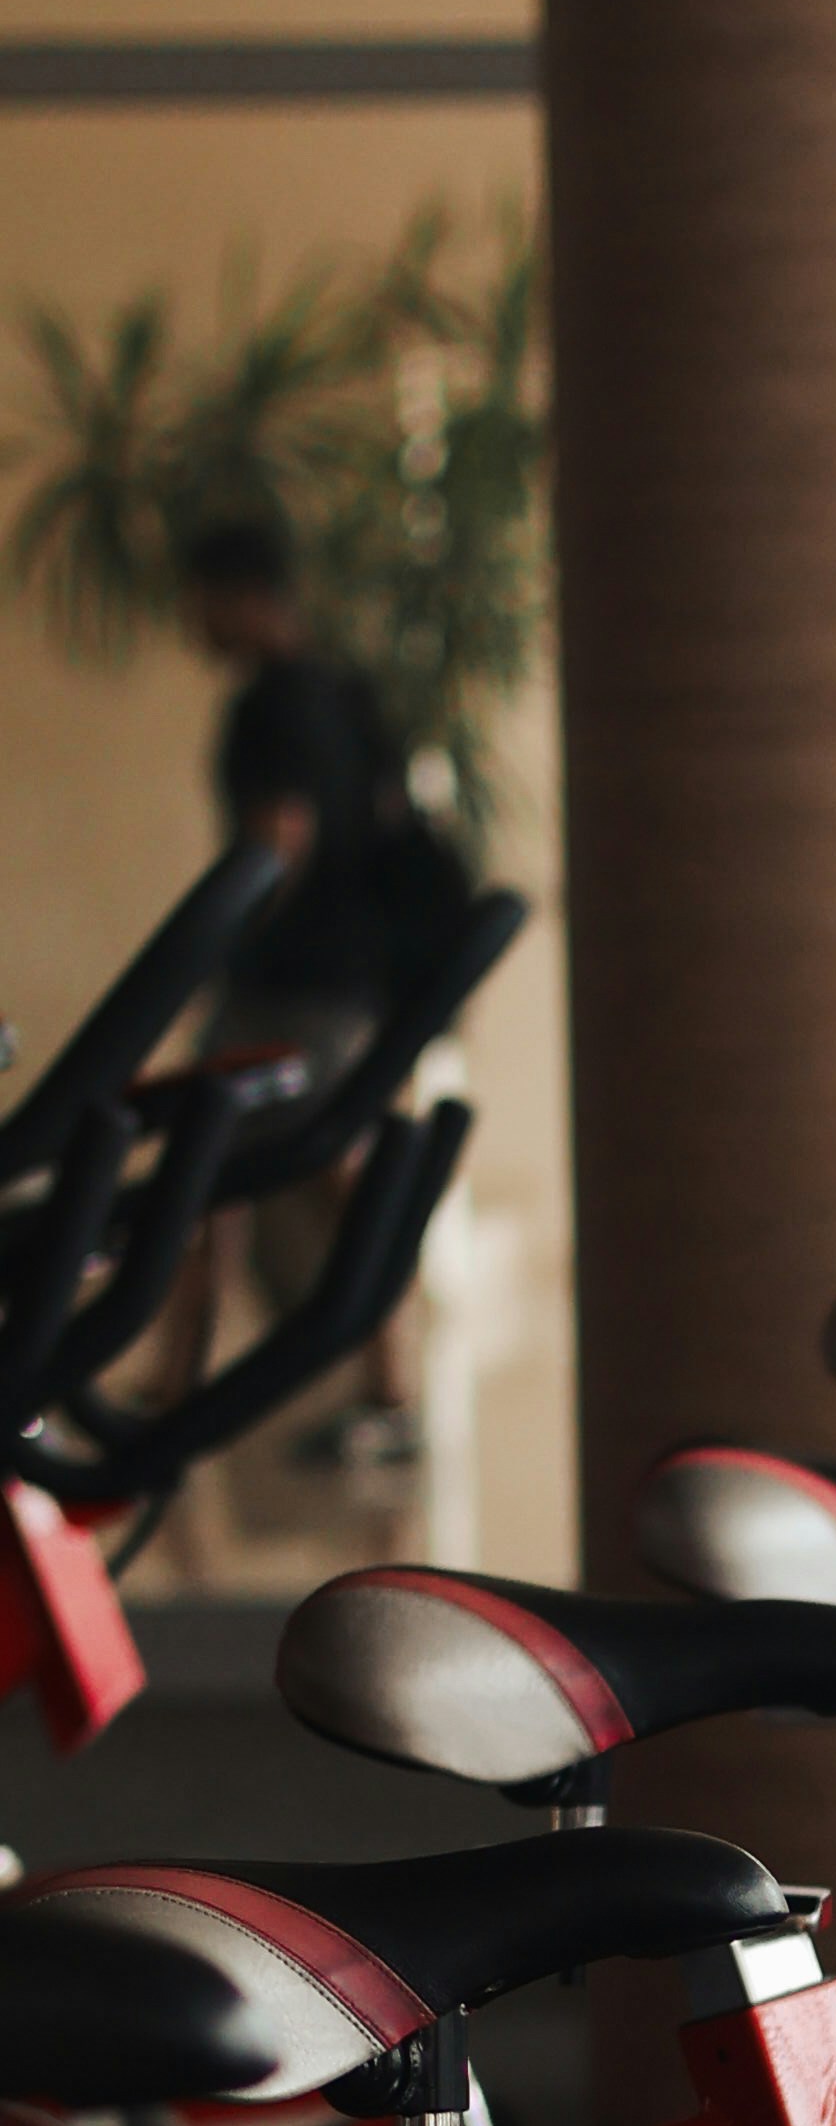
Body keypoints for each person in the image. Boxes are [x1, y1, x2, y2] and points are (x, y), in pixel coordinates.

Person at [175, 503, 453, 1473]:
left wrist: (213, 938)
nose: (195, 621)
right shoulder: (347, 694)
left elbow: (280, 836)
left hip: (289, 983)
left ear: (243, 596)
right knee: (239, 1185)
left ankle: (382, 1393)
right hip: (346, 979)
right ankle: (183, 1387)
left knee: (221, 1175)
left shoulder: (270, 706)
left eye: (202, 600)